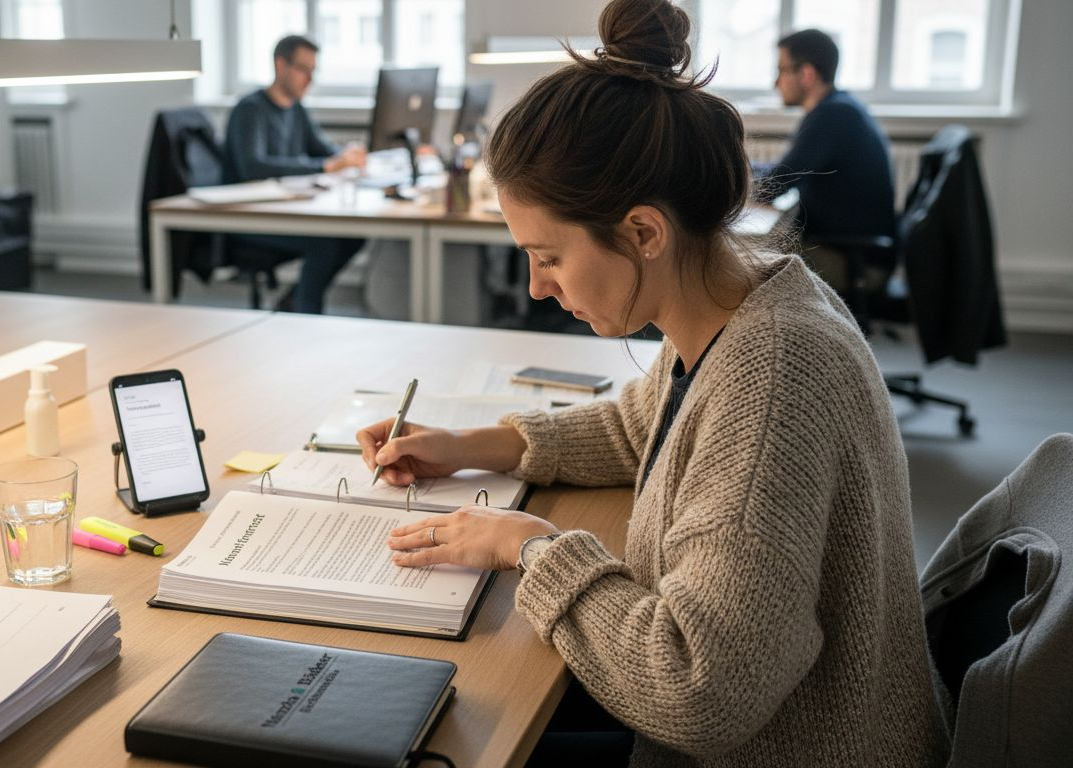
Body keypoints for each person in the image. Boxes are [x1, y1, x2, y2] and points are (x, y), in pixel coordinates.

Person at [357, 1, 949, 765]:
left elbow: (698, 689)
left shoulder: (773, 376)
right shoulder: (736, 303)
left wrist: (533, 549)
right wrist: (468, 445)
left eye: (550, 257)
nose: (537, 288)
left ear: (643, 232)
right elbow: (644, 428)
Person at [222, 34, 366, 314]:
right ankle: (307, 314)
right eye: (303, 69)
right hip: (249, 216)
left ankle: (296, 300)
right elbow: (254, 167)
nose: (309, 80)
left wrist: (347, 155)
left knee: (354, 234)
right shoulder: (250, 110)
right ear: (280, 65)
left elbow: (324, 150)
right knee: (324, 239)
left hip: (286, 209)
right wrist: (324, 166)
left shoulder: (296, 109)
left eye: (313, 71)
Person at [754, 29, 897, 289]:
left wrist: (728, 184)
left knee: (748, 263)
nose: (776, 83)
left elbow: (775, 184)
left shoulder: (832, 117)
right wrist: (749, 171)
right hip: (847, 249)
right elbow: (785, 171)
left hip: (854, 263)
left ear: (807, 74)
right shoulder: (840, 109)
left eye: (782, 71)